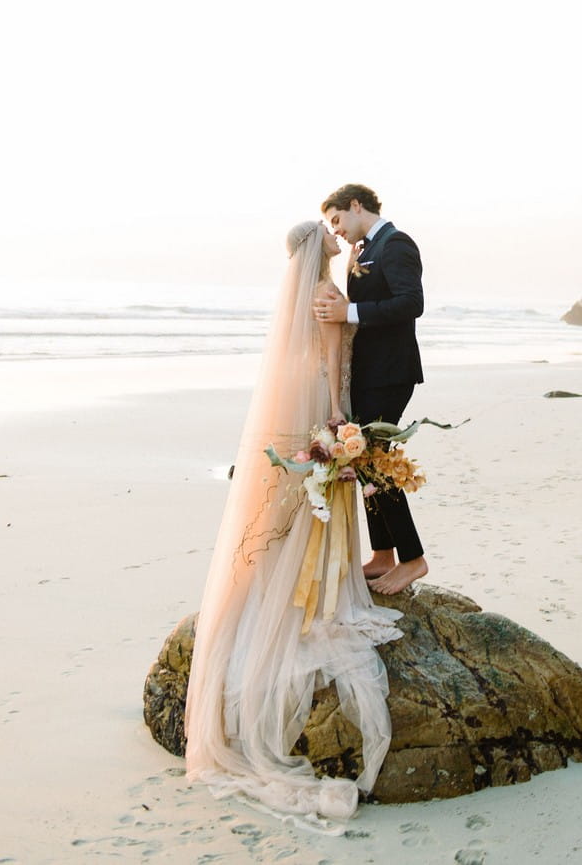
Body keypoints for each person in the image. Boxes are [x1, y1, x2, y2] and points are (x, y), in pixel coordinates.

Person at [185, 220, 402, 827]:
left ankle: (286, 582)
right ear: (317, 248)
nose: (337, 235)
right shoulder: (328, 295)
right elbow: (333, 361)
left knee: (293, 500)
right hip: (322, 402)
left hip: (291, 402)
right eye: (328, 232)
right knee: (322, 496)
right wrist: (338, 417)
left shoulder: (300, 296)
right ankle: (322, 591)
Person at [318, 184, 428, 595]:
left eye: (337, 220)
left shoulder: (396, 244)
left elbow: (410, 303)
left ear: (356, 206)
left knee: (376, 461)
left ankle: (413, 559)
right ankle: (383, 553)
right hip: (369, 371)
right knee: (361, 457)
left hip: (392, 372)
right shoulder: (362, 249)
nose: (337, 230)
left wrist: (350, 311)